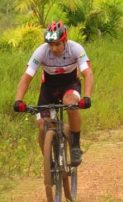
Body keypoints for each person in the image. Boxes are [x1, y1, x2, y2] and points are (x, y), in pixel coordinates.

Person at [13, 20, 93, 166]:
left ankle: (75, 146)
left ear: (65, 40)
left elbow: (88, 73)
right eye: (51, 45)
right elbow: (26, 77)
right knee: (42, 124)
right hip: (49, 88)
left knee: (71, 104)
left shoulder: (76, 49)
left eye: (57, 44)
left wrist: (86, 97)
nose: (54, 48)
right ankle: (49, 162)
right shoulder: (41, 52)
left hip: (70, 85)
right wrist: (18, 100)